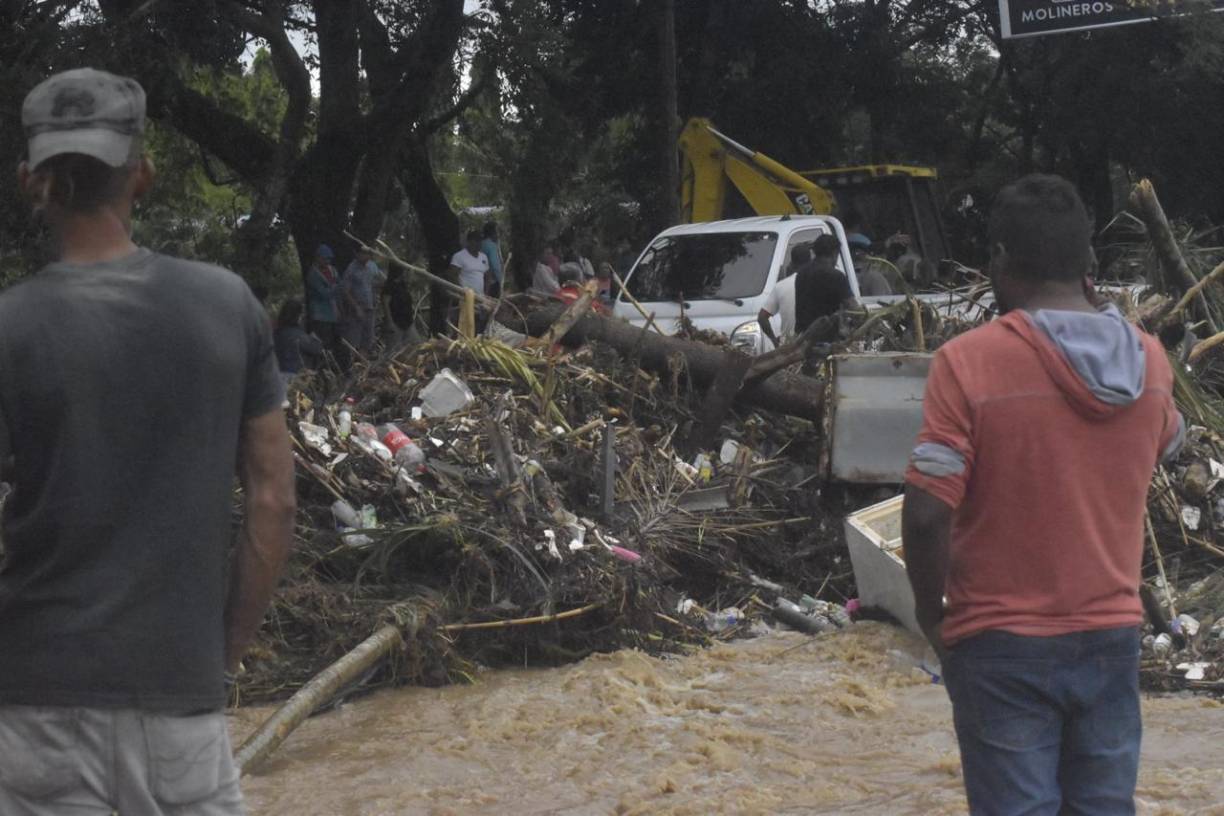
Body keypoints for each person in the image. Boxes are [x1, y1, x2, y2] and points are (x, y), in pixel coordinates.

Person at [0, 68, 295, 815]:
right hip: (180, 709)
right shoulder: (226, 305)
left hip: (34, 709)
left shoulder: (10, 326)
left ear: (31, 180)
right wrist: (217, 655)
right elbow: (273, 500)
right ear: (144, 175)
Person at [902, 174, 1184, 814]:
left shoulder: (968, 363)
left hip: (1000, 643)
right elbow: (1171, 442)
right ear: (1089, 264)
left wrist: (929, 614)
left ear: (1000, 258)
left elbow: (925, 512)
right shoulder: (1150, 364)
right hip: (1112, 635)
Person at [794, 233, 857, 335]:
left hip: (802, 338)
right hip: (826, 340)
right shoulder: (837, 276)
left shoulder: (801, 273)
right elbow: (853, 308)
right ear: (834, 253)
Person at [757, 244, 808, 348]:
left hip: (788, 349)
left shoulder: (780, 286)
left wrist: (775, 341)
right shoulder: (819, 282)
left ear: (792, 263)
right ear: (810, 262)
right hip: (812, 346)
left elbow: (762, 317)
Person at [340, 247, 386, 353]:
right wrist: (356, 307)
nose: (366, 256)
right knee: (354, 340)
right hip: (356, 309)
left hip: (370, 307)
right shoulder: (351, 269)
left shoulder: (372, 266)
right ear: (357, 253)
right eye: (364, 253)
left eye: (368, 254)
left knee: (367, 339)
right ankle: (351, 364)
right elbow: (345, 291)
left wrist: (379, 289)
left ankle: (362, 365)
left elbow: (380, 280)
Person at [274, 299, 324, 390]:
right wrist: (313, 335)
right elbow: (318, 349)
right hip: (298, 378)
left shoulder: (276, 333)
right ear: (298, 316)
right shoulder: (298, 335)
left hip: (278, 377)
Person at [306, 243, 340, 348]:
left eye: (329, 259)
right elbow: (325, 294)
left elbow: (340, 284)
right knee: (322, 344)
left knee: (334, 343)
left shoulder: (332, 270)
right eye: (325, 259)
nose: (327, 262)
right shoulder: (313, 274)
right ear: (318, 258)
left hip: (334, 314)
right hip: (320, 315)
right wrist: (336, 287)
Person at [449, 230, 489, 294]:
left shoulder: (484, 257)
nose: (479, 243)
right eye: (476, 240)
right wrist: (461, 291)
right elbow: (452, 276)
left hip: (481, 297)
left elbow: (487, 277)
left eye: (480, 240)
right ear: (469, 241)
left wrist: (486, 293)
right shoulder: (459, 256)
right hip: (466, 297)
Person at [481, 221, 504, 297]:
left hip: (480, 280)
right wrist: (501, 281)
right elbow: (495, 266)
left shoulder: (481, 243)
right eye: (497, 231)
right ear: (492, 232)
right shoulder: (491, 246)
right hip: (491, 283)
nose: (499, 235)